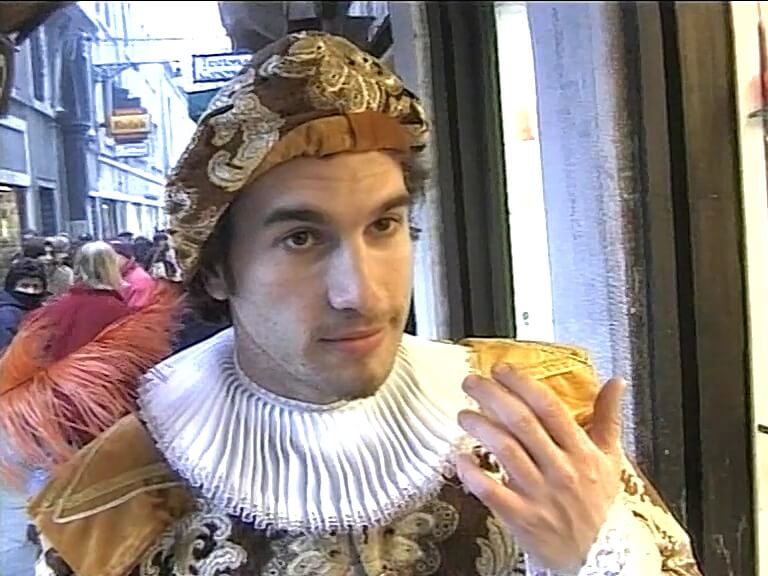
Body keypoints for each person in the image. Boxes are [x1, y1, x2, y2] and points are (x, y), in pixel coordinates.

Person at [24, 33, 700, 575]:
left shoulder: (537, 424)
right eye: (301, 238)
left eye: (384, 225)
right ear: (218, 271)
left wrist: (597, 556)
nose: (363, 294)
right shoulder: (111, 503)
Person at [0, 241, 180, 478]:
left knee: (59, 479)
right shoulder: (122, 316)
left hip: (54, 414)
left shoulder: (52, 310)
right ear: (112, 268)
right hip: (103, 416)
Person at [0, 258, 48, 351]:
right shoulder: (6, 314)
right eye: (24, 286)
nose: (31, 291)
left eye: (36, 286)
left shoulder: (42, 310)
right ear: (12, 287)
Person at [109, 239, 157, 309]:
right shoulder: (117, 275)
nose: (108, 263)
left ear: (124, 257)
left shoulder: (140, 279)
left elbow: (138, 309)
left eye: (111, 258)